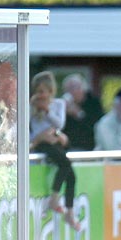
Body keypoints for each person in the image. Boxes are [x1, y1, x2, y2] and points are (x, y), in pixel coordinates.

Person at [30, 70, 81, 231]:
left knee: (71, 175)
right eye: (37, 92)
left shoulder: (58, 104)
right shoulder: (31, 106)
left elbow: (59, 124)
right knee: (66, 165)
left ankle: (69, 211)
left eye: (43, 92)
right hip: (42, 143)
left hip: (54, 140)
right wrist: (42, 135)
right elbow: (31, 132)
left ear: (50, 91)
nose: (40, 95)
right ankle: (54, 199)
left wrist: (47, 111)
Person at [61, 73, 104, 152]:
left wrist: (79, 114)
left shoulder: (94, 103)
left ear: (83, 89)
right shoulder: (62, 105)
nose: (71, 91)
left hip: (91, 147)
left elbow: (97, 126)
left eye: (74, 87)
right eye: (68, 89)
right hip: (68, 148)